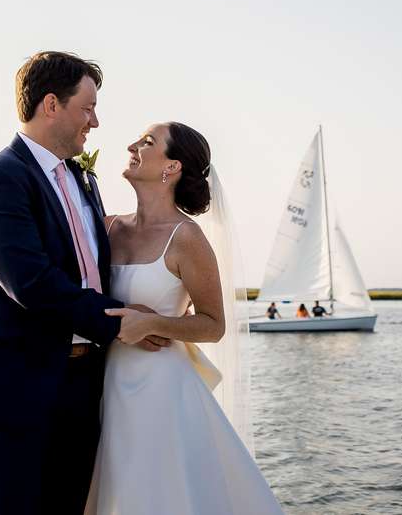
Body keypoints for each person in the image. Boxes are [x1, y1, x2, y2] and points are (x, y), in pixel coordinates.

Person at [0, 52, 166, 515]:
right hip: (17, 382)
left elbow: (91, 269)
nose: (96, 121)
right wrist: (121, 323)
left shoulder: (83, 179)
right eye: (87, 108)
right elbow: (29, 282)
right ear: (51, 104)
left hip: (84, 381)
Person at [85, 122, 282, 514]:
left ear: (171, 167)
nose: (131, 144)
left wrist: (153, 323)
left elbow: (213, 324)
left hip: (161, 393)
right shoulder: (106, 227)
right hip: (102, 386)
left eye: (147, 141)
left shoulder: (186, 238)